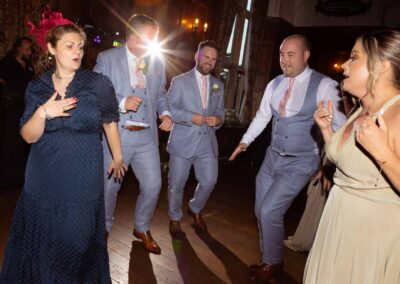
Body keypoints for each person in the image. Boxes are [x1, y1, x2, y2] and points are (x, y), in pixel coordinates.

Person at [0, 23, 126, 283]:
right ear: (51, 49)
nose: (77, 52)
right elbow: (28, 135)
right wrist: (44, 112)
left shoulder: (98, 83)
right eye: (69, 46)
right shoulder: (38, 87)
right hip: (43, 174)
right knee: (45, 240)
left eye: (80, 46)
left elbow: (110, 121)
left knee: (78, 239)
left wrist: (118, 156)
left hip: (83, 173)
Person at [229, 34, 346, 282]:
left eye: (291, 54)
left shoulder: (325, 85)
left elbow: (341, 127)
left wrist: (330, 165)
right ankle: (270, 259)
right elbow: (262, 116)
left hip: (301, 161)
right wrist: (245, 141)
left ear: (306, 55)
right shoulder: (275, 83)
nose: (284, 60)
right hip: (272, 158)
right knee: (261, 210)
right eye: (281, 54)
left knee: (270, 211)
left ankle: (272, 263)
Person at [304, 30, 400, 283]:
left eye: (354, 58)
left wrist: (383, 153)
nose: (344, 65)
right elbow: (347, 161)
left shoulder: (398, 114)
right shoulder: (361, 109)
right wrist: (326, 130)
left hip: (370, 236)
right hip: (338, 222)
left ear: (381, 67)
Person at [93, 14, 172, 254]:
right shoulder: (106, 58)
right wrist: (122, 101)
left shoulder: (156, 62)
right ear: (135, 35)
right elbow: (95, 94)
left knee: (153, 185)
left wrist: (166, 113)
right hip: (117, 135)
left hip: (147, 138)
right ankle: (103, 229)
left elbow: (160, 95)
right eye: (151, 37)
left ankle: (142, 227)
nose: (154, 42)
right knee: (109, 189)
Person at [166, 40, 225, 238]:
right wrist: (191, 117)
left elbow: (220, 113)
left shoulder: (218, 85)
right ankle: (175, 217)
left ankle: (195, 207)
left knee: (210, 181)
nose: (209, 61)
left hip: (207, 143)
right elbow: (171, 109)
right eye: (206, 57)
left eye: (213, 59)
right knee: (177, 183)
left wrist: (218, 120)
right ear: (197, 57)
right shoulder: (180, 81)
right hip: (183, 141)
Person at [0, 36, 34, 188]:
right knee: (9, 142)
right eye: (26, 48)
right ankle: (6, 179)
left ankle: (20, 178)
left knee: (22, 142)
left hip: (24, 107)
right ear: (18, 47)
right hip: (10, 109)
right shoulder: (7, 62)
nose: (29, 51)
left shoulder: (28, 65)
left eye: (30, 48)